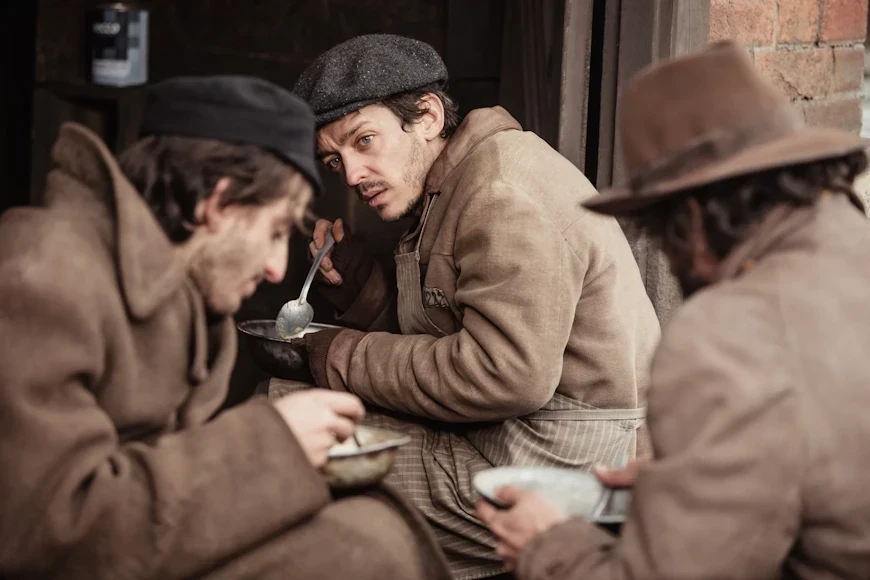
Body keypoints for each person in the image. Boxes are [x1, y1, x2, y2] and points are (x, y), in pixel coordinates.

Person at [0, 75, 450, 580]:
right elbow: (45, 533)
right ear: (217, 204)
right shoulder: (40, 276)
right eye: (276, 231)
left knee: (365, 534)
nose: (278, 269)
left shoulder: (180, 293)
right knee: (367, 551)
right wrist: (270, 446)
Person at [477, 40, 870, 579]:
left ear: (690, 220)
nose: (669, 256)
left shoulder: (726, 334)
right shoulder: (853, 244)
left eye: (661, 235)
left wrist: (548, 545)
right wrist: (692, 479)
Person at [290, 34, 661, 579]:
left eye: (364, 141)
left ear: (427, 117)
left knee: (294, 459)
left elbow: (505, 374)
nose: (350, 175)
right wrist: (359, 286)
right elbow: (443, 335)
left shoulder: (501, 190)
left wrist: (342, 355)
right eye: (334, 159)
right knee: (289, 419)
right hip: (500, 433)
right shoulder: (448, 183)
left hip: (561, 460)